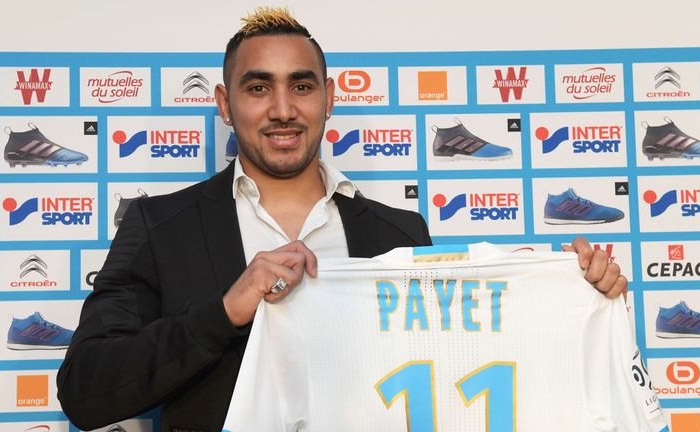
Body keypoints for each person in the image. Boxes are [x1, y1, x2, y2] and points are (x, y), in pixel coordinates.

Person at [57, 7, 627, 432]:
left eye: (301, 86)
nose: (283, 109)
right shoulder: (160, 225)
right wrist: (225, 310)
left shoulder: (400, 234)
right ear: (225, 104)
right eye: (258, 88)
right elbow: (85, 392)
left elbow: (464, 373)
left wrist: (576, 300)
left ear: (328, 97)